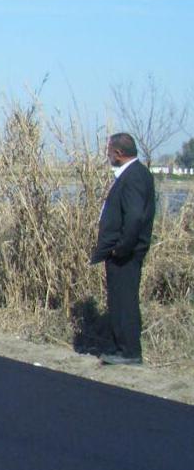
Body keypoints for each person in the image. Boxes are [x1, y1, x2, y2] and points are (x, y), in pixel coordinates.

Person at [90, 132, 155, 365]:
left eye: (109, 151)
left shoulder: (134, 177)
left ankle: (128, 352)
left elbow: (135, 216)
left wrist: (122, 248)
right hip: (123, 250)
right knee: (119, 299)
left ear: (118, 153)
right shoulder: (135, 174)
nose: (107, 155)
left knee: (124, 300)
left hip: (126, 253)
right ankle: (120, 347)